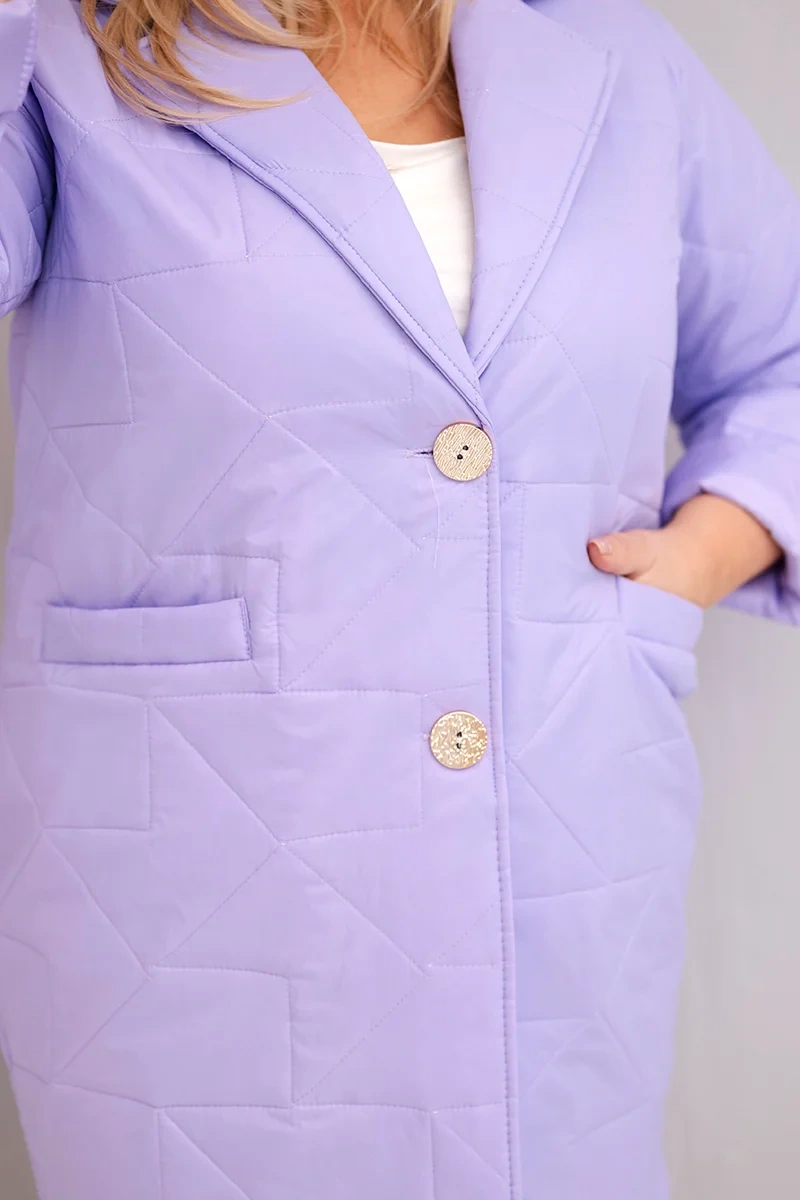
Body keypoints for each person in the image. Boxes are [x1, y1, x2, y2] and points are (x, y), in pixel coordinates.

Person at [0, 0, 797, 1196]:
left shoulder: (614, 53)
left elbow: (783, 360)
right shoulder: (68, 52)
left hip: (561, 850)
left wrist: (698, 558)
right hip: (197, 891)